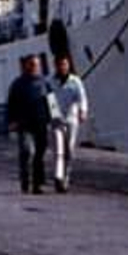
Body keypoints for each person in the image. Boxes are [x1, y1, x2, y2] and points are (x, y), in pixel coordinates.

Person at [5, 53, 56, 194]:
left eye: (37, 65)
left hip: (41, 123)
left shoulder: (45, 83)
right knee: (27, 152)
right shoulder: (18, 84)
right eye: (32, 64)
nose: (35, 67)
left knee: (40, 154)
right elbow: (11, 104)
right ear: (26, 66)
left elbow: (52, 103)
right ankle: (25, 181)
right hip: (24, 124)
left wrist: (55, 119)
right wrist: (11, 121)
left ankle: (37, 184)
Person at [50, 55, 90, 193]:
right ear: (56, 66)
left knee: (69, 151)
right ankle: (58, 177)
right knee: (58, 150)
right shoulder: (51, 80)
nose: (63, 67)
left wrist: (83, 111)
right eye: (61, 65)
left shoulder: (75, 81)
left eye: (65, 64)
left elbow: (82, 97)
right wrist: (54, 115)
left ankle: (66, 176)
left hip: (71, 119)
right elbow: (50, 99)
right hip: (57, 120)